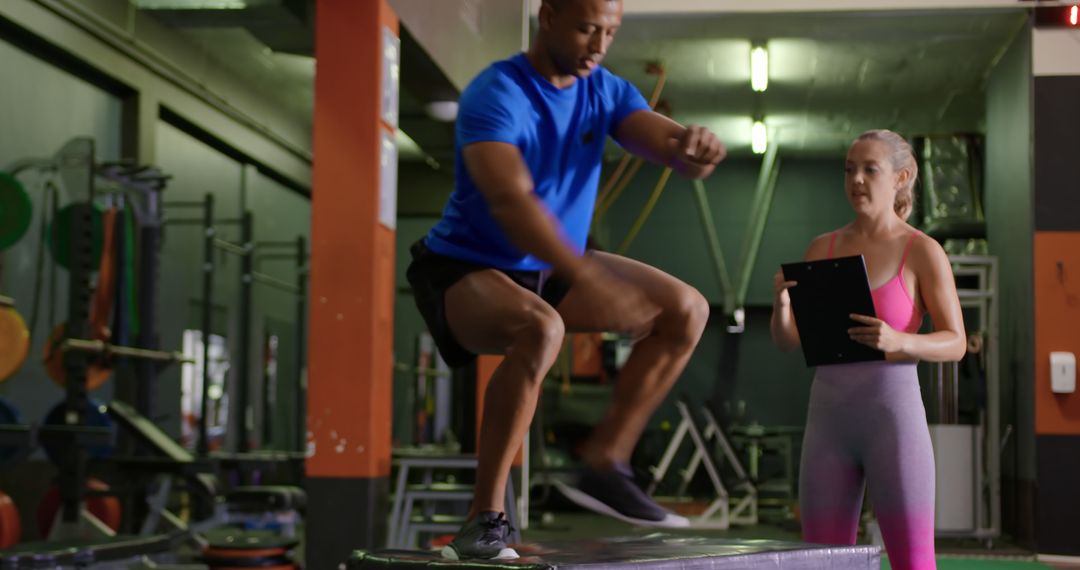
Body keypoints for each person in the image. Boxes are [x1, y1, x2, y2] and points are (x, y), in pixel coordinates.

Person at [405, 0, 726, 560]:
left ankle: (606, 462)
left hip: (550, 268)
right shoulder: (496, 93)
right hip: (463, 267)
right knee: (541, 328)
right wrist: (585, 274)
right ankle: (484, 521)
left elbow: (671, 147)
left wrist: (696, 149)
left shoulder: (605, 90)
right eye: (586, 28)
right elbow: (512, 203)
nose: (599, 44)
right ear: (547, 16)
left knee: (687, 309)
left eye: (610, 32)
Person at [770, 130, 966, 570]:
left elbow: (955, 342)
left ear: (902, 176)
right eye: (849, 169)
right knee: (821, 562)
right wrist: (782, 306)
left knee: (913, 562)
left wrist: (899, 341)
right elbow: (788, 341)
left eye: (869, 169)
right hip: (828, 424)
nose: (856, 179)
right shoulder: (824, 248)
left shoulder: (922, 251)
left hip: (892, 422)